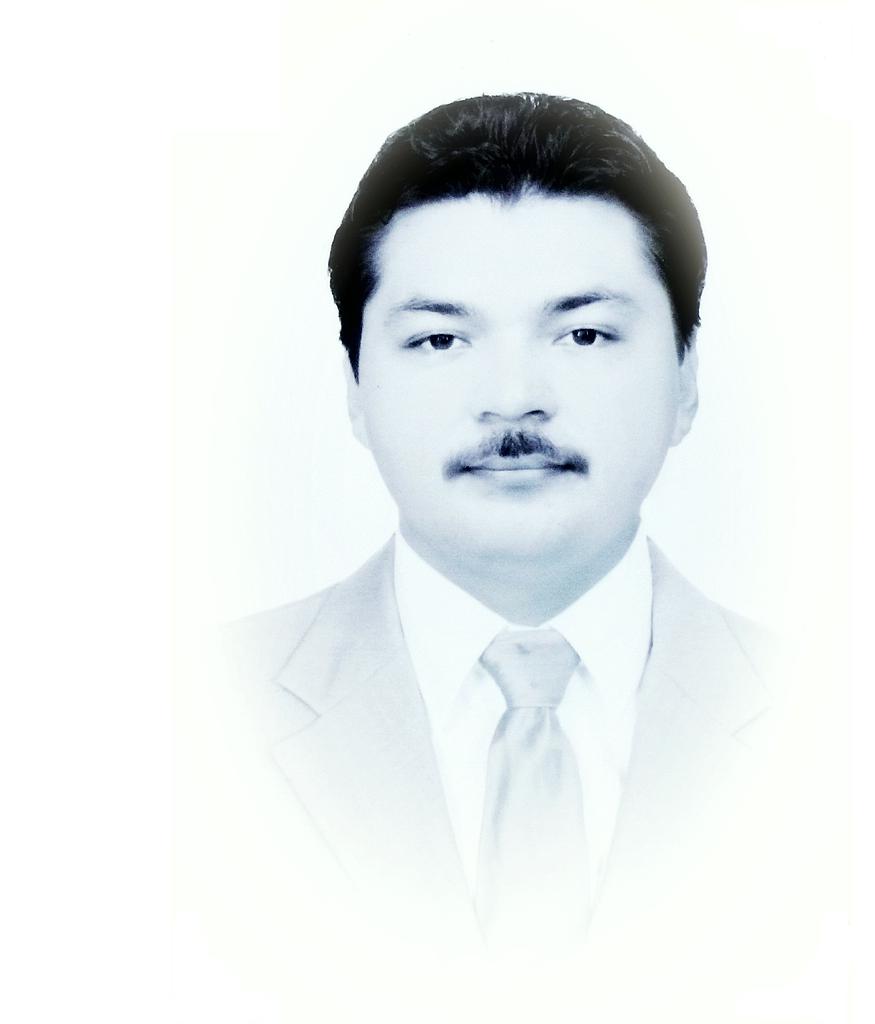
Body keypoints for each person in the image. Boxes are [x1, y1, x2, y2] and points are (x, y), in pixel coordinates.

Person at [225, 93, 784, 962]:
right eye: (441, 341)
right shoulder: (182, 714)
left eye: (585, 334)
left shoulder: (844, 722)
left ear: (687, 380)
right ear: (355, 390)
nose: (514, 397)